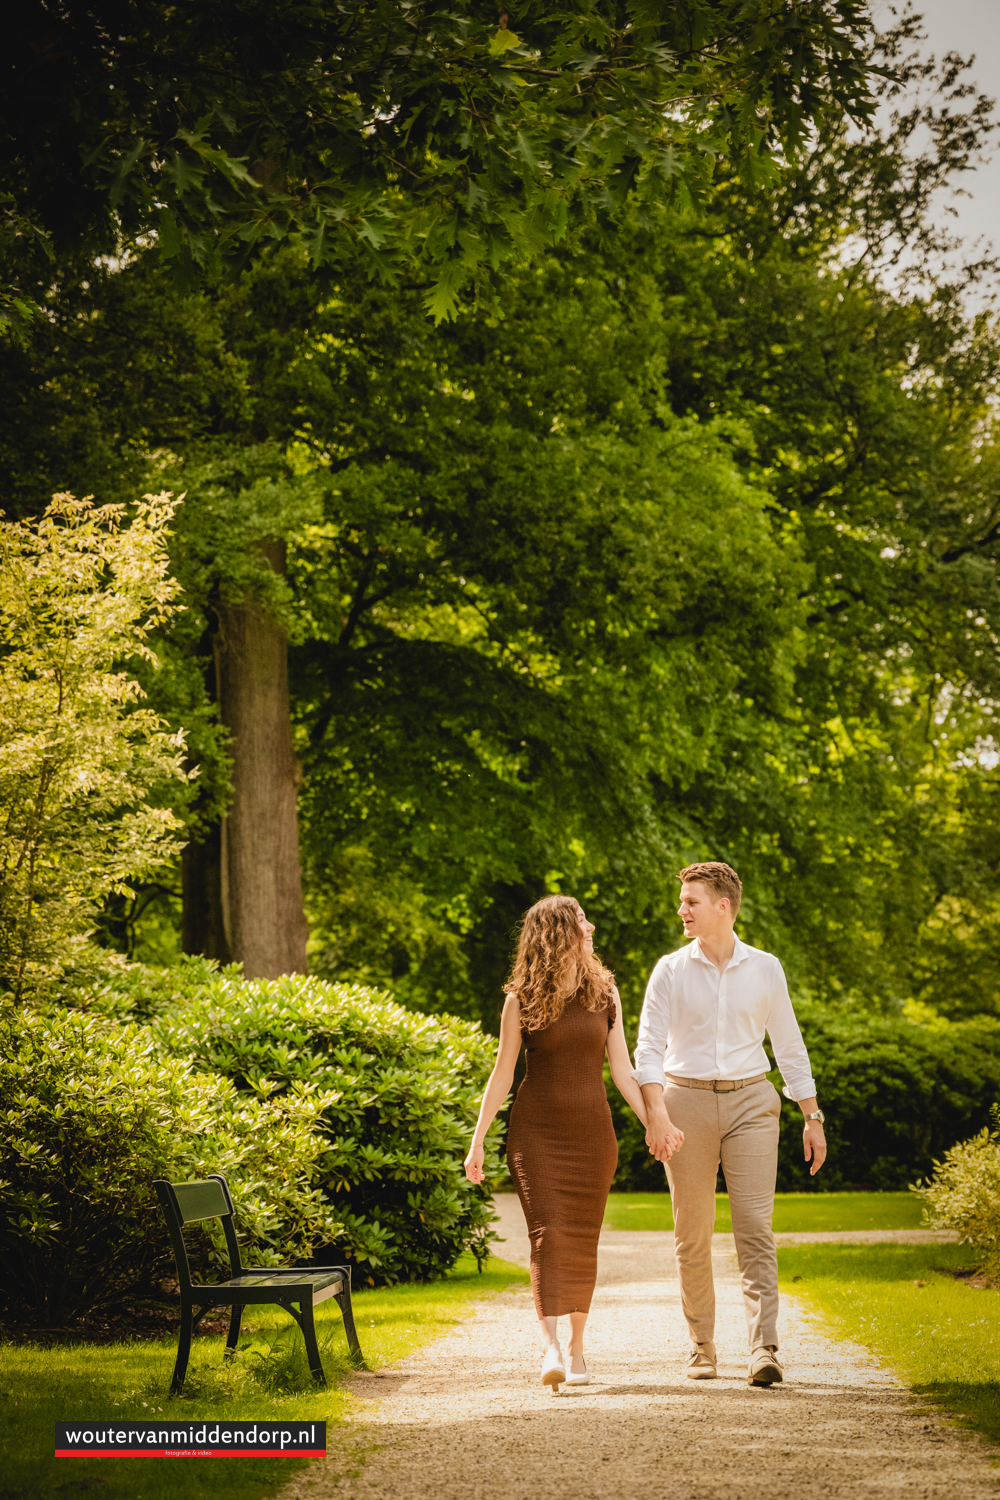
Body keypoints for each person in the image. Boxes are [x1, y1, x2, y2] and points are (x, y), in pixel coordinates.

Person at [465, 894, 683, 1392]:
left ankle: (579, 1347)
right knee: (549, 1234)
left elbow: (624, 1070)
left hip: (592, 1135)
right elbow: (501, 1076)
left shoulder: (604, 993)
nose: (591, 926)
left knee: (582, 1240)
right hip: (536, 1134)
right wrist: (478, 1142)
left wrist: (656, 1120)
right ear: (557, 931)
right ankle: (551, 1347)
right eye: (581, 920)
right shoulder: (521, 998)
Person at [634, 861, 826, 1388]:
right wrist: (656, 1113)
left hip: (751, 1104)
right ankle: (702, 1346)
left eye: (691, 901)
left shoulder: (766, 968)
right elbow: (647, 1048)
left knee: (755, 1228)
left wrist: (812, 1115)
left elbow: (788, 1046)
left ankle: (763, 1347)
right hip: (685, 1104)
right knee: (691, 1233)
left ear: (723, 906)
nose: (682, 910)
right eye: (682, 901)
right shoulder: (669, 969)